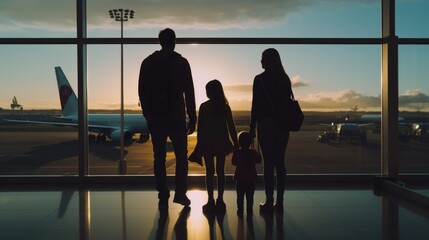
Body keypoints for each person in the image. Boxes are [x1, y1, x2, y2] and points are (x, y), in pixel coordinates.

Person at [138, 28, 197, 209]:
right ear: (174, 41)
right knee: (181, 157)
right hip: (176, 117)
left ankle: (162, 193)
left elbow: (141, 91)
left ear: (160, 41)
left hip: (155, 118)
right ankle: (180, 193)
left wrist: (148, 114)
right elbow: (189, 92)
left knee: (159, 157)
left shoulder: (147, 62)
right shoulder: (181, 62)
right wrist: (193, 117)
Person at [249, 48, 292, 213]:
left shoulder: (259, 80)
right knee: (280, 163)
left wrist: (252, 127)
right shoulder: (284, 78)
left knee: (269, 164)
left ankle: (269, 201)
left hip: (266, 124)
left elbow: (256, 106)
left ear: (266, 61)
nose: (260, 62)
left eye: (262, 59)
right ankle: (280, 202)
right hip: (283, 126)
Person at [189, 79, 239, 212]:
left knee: (209, 172)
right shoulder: (225, 107)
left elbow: (201, 128)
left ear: (210, 92)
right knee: (220, 171)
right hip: (222, 141)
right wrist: (236, 143)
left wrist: (199, 144)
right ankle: (220, 200)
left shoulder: (204, 107)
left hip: (207, 142)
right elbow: (231, 127)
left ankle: (210, 200)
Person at [232, 131, 261, 217]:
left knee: (240, 197)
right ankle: (249, 210)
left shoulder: (238, 153)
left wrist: (235, 150)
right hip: (251, 179)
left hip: (240, 179)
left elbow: (234, 162)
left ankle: (240, 210)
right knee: (250, 197)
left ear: (239, 142)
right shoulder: (253, 153)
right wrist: (256, 148)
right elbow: (259, 160)